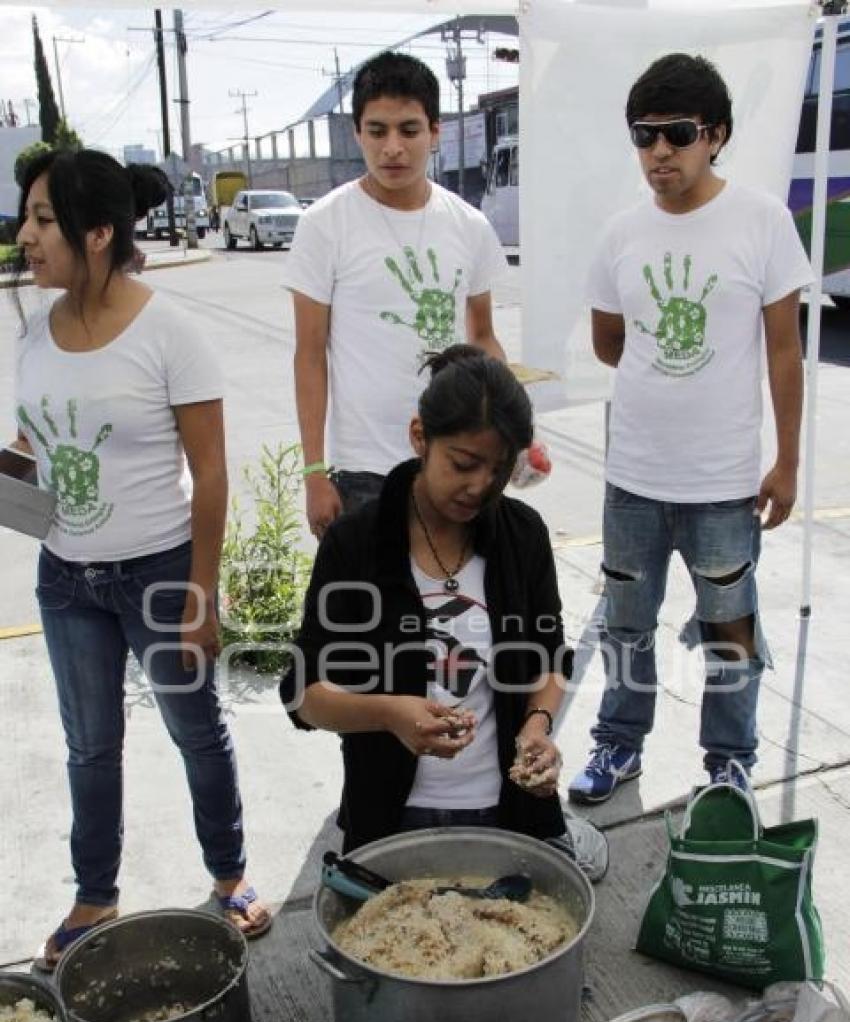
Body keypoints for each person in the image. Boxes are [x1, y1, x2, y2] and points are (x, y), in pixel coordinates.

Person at [13, 148, 272, 969]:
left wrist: (203, 589)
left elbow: (212, 468)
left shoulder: (170, 332)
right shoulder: (30, 331)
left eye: (43, 220)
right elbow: (36, 449)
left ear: (96, 234)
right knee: (88, 744)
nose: (25, 235)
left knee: (195, 730)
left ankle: (228, 873)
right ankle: (95, 892)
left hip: (158, 572)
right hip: (66, 578)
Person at [568, 54, 813, 805]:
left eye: (677, 133)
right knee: (627, 628)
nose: (660, 152)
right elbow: (610, 341)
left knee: (730, 631)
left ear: (717, 136)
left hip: (724, 483)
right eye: (645, 136)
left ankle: (728, 762)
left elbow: (784, 351)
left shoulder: (763, 221)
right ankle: (618, 746)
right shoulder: (620, 233)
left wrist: (788, 462)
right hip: (634, 479)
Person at [280, 346, 609, 882]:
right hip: (391, 818)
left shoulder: (522, 536)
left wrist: (538, 724)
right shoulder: (356, 544)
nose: (480, 485)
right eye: (463, 463)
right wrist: (389, 714)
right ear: (419, 438)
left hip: (505, 814)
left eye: (499, 469)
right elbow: (303, 695)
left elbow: (549, 658)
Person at [286, 51, 508, 537]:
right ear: (357, 132)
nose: (392, 148)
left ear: (435, 131)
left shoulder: (469, 226)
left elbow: (484, 340)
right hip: (362, 473)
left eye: (408, 130)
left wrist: (508, 434)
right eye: (377, 130)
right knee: (366, 612)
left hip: (453, 462)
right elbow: (309, 355)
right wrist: (314, 473)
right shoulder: (324, 224)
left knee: (457, 609)